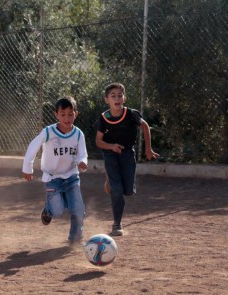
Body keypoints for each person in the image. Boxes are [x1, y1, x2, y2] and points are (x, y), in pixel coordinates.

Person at [95, 82, 159, 236]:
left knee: (127, 190)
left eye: (119, 95)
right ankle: (117, 224)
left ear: (124, 98)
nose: (117, 98)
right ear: (106, 100)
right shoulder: (103, 119)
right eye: (113, 96)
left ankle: (111, 180)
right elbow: (98, 141)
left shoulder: (131, 114)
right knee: (117, 191)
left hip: (127, 154)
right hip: (110, 154)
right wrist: (111, 147)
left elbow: (145, 127)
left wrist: (148, 149)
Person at [22, 96, 88, 244]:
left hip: (71, 176)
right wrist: (28, 167)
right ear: (56, 115)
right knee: (58, 211)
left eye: (70, 114)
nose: (67, 118)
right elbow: (34, 146)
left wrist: (82, 161)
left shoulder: (78, 134)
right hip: (53, 179)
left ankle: (75, 238)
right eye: (63, 114)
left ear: (75, 114)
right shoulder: (48, 132)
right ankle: (48, 209)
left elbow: (82, 153)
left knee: (78, 209)